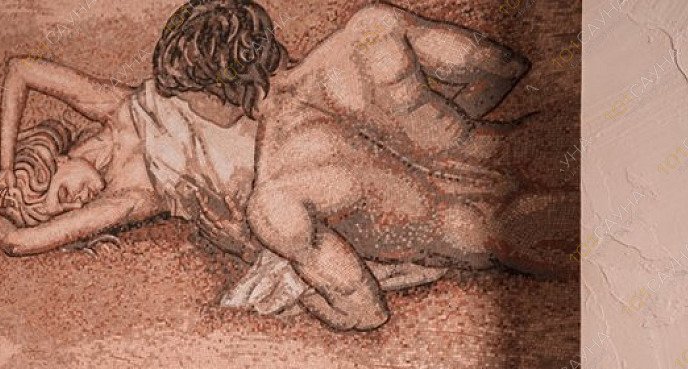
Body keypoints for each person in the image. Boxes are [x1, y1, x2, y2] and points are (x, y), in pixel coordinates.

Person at [152, 0, 573, 329]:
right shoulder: (373, 30)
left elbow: (365, 312)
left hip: (519, 231)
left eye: (187, 98)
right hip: (550, 144)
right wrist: (443, 135)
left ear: (215, 92)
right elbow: (505, 67)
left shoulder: (275, 197)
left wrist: (283, 273)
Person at [0, 53, 442, 322]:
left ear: (53, 158)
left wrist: (5, 168)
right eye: (60, 212)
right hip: (286, 182)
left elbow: (21, 69)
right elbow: (16, 242)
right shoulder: (126, 199)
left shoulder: (116, 108)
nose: (74, 201)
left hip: (286, 118)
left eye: (57, 191)